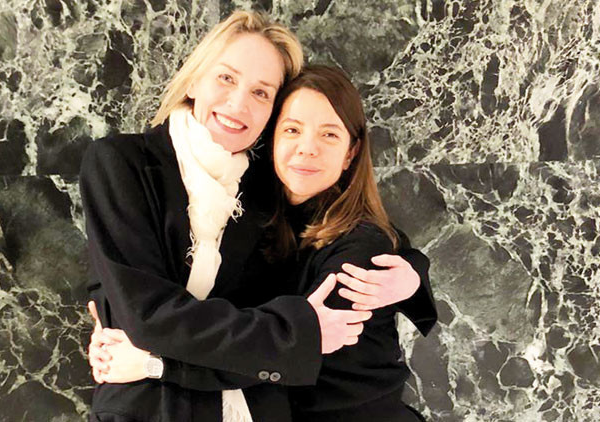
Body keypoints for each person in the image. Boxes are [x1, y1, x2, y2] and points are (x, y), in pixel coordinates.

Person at [80, 10, 436, 422]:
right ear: (194, 80)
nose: (238, 103)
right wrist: (295, 335)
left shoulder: (265, 185)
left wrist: (412, 274)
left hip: (253, 405)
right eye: (226, 78)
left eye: (262, 92)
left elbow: (350, 232)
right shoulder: (122, 164)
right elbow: (143, 311)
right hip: (146, 408)